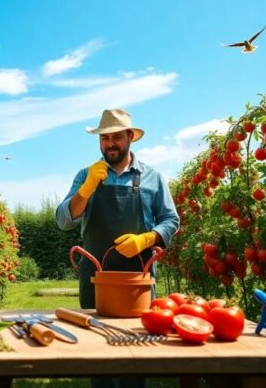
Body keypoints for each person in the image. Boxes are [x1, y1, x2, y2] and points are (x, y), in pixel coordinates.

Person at [55, 108, 180, 388]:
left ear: (130, 137)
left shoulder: (153, 177)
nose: (110, 144)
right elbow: (63, 221)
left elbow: (171, 220)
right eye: (104, 138)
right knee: (98, 352)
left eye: (117, 137)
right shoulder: (85, 175)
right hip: (95, 279)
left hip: (137, 279)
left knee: (136, 352)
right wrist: (85, 189)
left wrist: (147, 239)